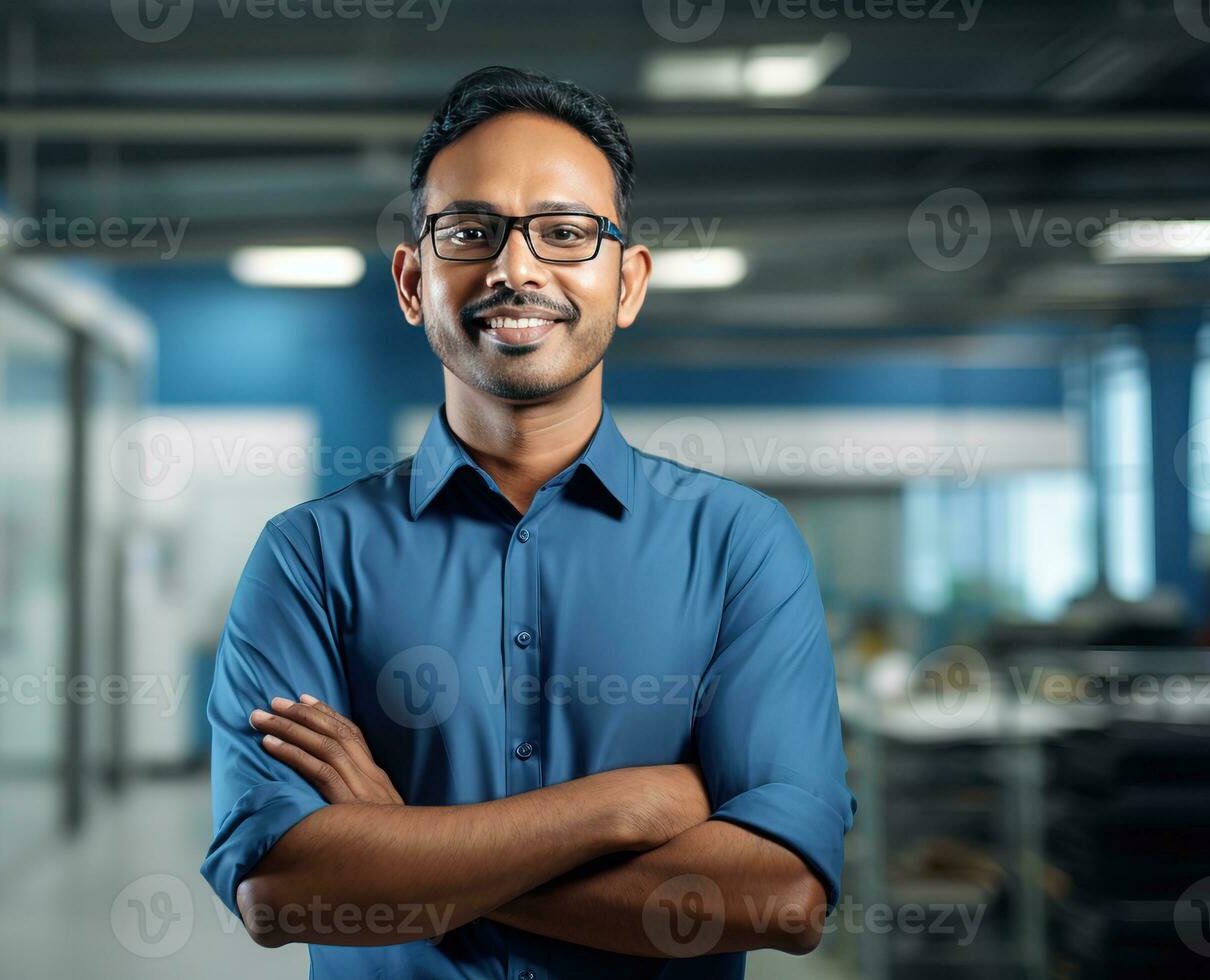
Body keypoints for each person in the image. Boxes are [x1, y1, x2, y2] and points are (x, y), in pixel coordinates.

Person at [201, 65, 856, 979]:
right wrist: (617, 810)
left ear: (627, 284)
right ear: (410, 279)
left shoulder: (738, 546)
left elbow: (778, 896)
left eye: (565, 232)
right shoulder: (310, 558)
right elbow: (283, 890)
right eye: (470, 231)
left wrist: (401, 848)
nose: (515, 268)